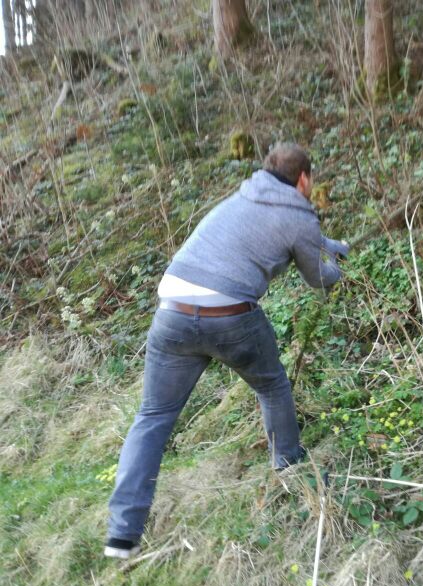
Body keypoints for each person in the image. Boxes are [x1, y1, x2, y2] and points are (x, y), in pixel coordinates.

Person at [104, 143, 348, 559]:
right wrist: (337, 268)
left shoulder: (241, 196)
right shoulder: (300, 214)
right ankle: (289, 468)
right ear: (304, 179)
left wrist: (328, 242)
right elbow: (316, 278)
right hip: (231, 317)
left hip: (172, 314)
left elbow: (270, 233)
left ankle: (122, 532)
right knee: (272, 385)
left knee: (153, 417)